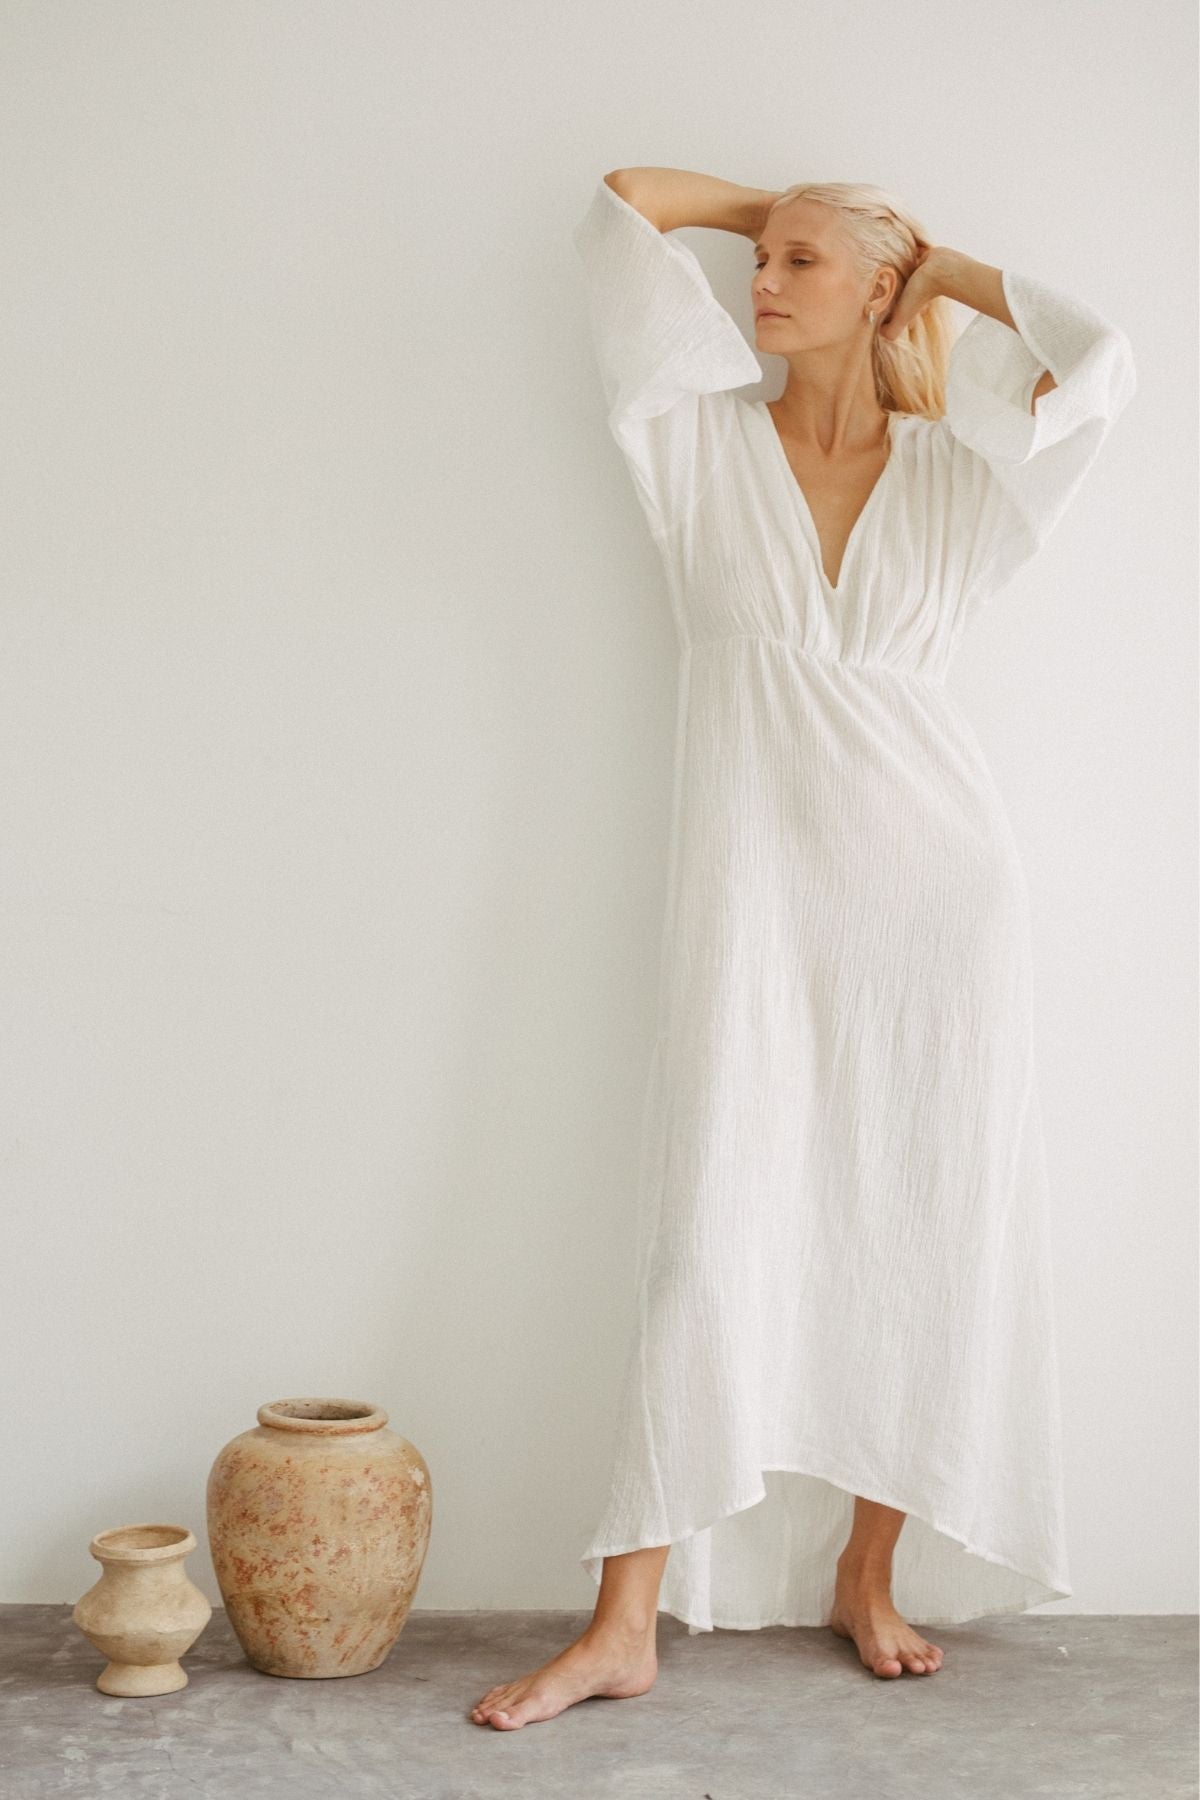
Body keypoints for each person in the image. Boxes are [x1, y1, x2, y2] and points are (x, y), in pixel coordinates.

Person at [470, 165, 1136, 1731]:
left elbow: (1101, 363)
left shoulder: (965, 471)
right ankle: (623, 1620)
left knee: (925, 1223)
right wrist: (798, 198)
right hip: (756, 891)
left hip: (940, 897)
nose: (756, 279)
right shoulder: (696, 439)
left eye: (796, 262)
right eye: (759, 258)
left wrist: (935, 267)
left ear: (876, 294)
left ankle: (869, 1575)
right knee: (709, 1225)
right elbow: (628, 206)